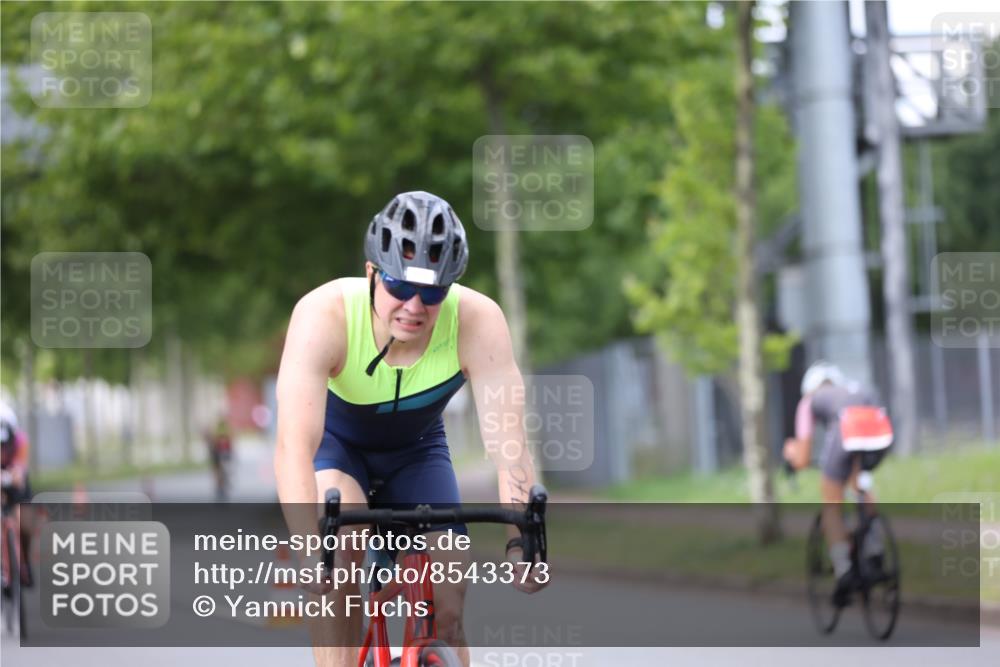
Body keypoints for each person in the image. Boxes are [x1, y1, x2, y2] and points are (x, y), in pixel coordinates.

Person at [274, 191, 546, 667]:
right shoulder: (323, 316)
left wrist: (522, 541)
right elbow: (295, 446)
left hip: (417, 454)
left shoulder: (479, 322)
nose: (415, 306)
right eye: (400, 287)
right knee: (337, 566)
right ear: (370, 273)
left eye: (435, 292)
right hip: (338, 452)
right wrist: (308, 548)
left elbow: (510, 447)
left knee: (450, 604)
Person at [783, 361, 894, 607]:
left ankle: (844, 569)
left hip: (848, 431)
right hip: (880, 431)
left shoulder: (810, 400)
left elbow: (802, 458)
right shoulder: (855, 388)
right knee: (859, 483)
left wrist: (792, 456)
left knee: (831, 502)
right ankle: (875, 550)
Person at [1, 411, 34, 587]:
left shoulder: (20, 441)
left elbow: (19, 473)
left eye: (4, 445)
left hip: (16, 486)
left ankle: (24, 561)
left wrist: (14, 475)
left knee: (25, 522)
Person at [206, 416, 233, 500]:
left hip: (219, 453)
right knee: (221, 470)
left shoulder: (218, 429)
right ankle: (222, 483)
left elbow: (212, 441)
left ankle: (222, 483)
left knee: (219, 470)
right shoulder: (225, 429)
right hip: (220, 453)